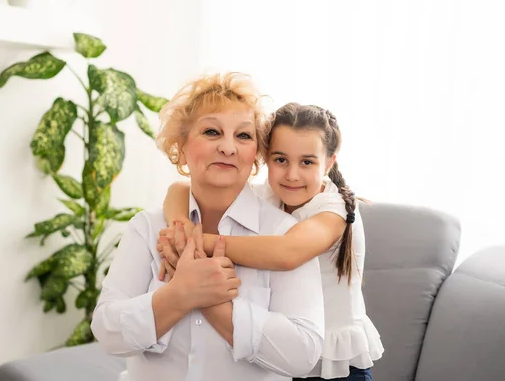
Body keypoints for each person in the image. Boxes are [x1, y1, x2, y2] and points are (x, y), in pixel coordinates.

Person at [91, 74, 325, 381]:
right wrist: (179, 295)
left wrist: (209, 299)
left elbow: (303, 353)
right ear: (181, 146)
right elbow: (107, 331)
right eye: (212, 131)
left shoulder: (284, 234)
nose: (228, 148)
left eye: (243, 136)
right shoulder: (147, 228)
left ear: (256, 154)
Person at [159, 103, 384, 380]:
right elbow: (178, 188)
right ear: (264, 158)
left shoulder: (334, 208)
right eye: (280, 160)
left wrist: (196, 243)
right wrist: (179, 226)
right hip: (282, 360)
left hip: (337, 367)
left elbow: (286, 253)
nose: (292, 174)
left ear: (328, 162)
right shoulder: (267, 197)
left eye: (307, 162)